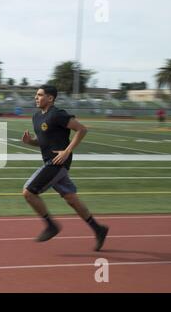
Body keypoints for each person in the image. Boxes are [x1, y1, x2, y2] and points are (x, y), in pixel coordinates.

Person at [21, 85, 109, 251]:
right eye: (36, 95)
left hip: (57, 163)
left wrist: (67, 151)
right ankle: (99, 229)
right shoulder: (36, 117)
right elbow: (43, 141)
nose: (36, 97)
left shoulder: (57, 114)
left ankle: (51, 225)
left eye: (39, 95)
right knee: (72, 200)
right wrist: (30, 142)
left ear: (50, 98)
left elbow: (82, 129)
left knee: (28, 192)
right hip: (50, 162)